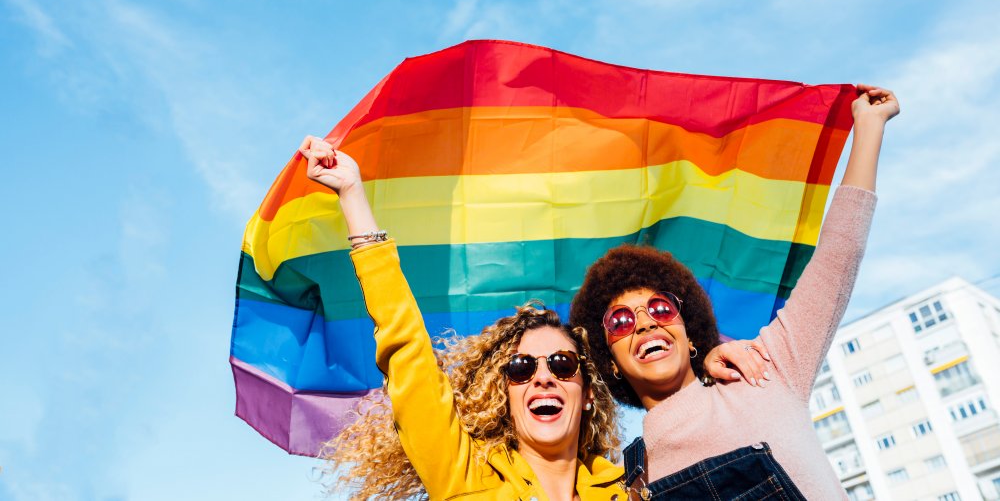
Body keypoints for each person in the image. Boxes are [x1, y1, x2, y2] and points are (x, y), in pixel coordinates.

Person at [297, 137, 772, 501]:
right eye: (522, 369)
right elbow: (408, 353)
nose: (543, 378)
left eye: (563, 366)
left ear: (587, 395)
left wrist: (707, 370)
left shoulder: (636, 486)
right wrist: (352, 196)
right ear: (503, 395)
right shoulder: (467, 479)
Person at [569, 85, 899, 500]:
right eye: (620, 321)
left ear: (689, 332)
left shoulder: (767, 370)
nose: (646, 322)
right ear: (610, 361)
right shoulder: (627, 486)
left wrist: (869, 127)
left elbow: (839, 254)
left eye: (660, 307)